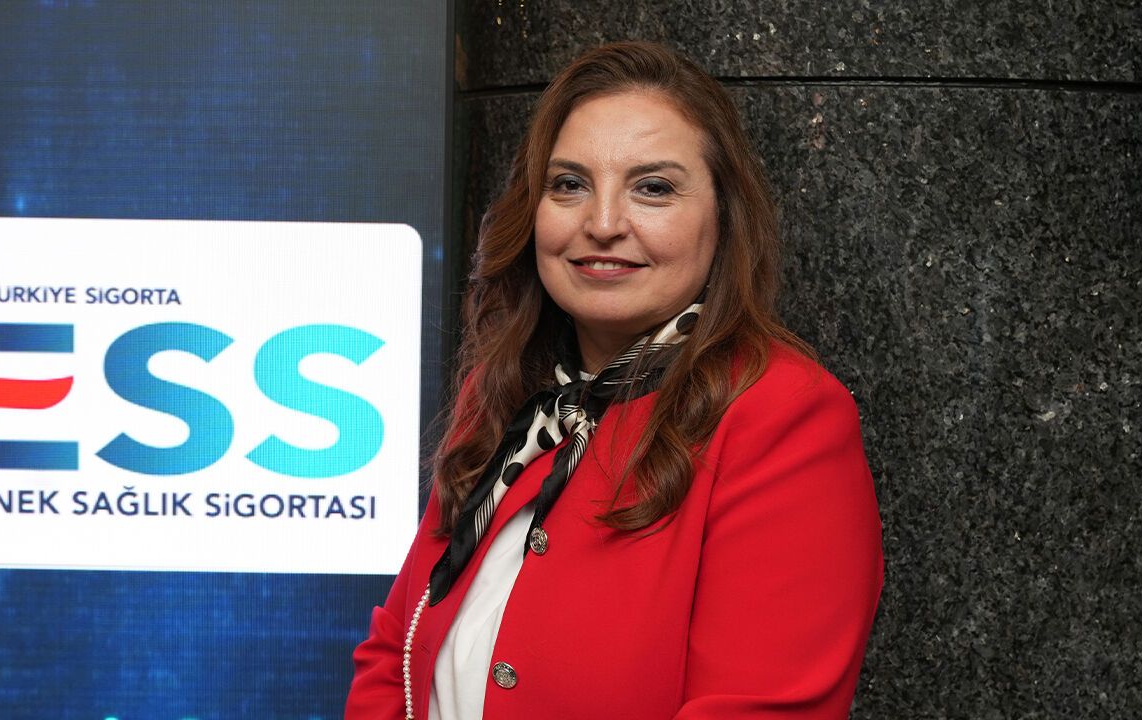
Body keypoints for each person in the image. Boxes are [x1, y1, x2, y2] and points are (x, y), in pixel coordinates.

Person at [346, 40, 883, 719]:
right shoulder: (506, 390)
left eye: (652, 188)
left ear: (724, 216)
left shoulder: (783, 414)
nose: (601, 224)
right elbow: (395, 653)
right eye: (569, 184)